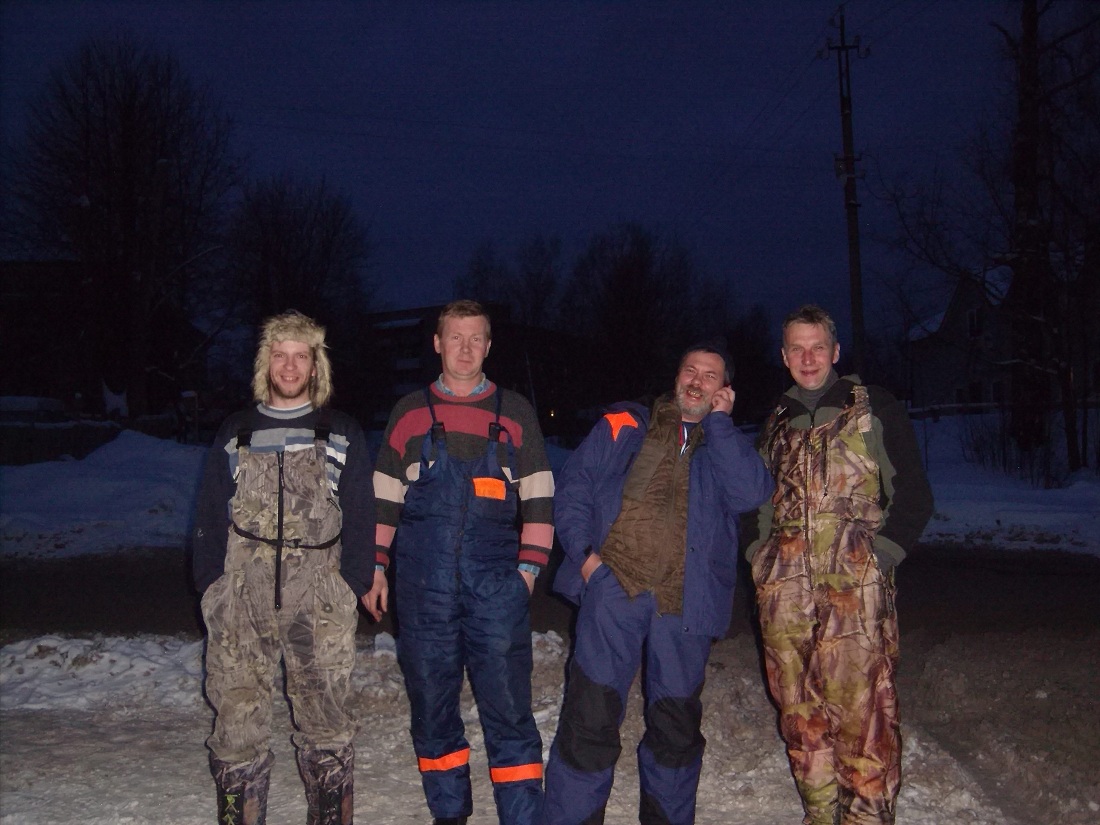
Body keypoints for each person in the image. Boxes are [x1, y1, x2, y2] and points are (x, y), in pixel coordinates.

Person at [541, 344, 774, 825]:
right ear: (676, 377)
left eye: (710, 376)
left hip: (685, 604)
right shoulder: (627, 423)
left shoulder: (724, 444)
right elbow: (576, 485)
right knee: (589, 718)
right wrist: (587, 561)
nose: (696, 381)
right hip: (614, 590)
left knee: (675, 729)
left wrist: (721, 424)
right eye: (690, 370)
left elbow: (752, 493)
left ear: (724, 390)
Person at [365, 300, 554, 825]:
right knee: (431, 705)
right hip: (423, 586)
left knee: (509, 709)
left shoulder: (515, 412)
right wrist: (375, 567)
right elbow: (383, 498)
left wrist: (527, 574)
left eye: (475, 339)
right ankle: (449, 812)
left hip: (496, 584)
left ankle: (522, 816)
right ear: (437, 343)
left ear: (488, 346)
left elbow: (541, 498)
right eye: (455, 337)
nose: (465, 349)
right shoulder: (409, 412)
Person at [745, 305, 934, 825]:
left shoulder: (873, 408)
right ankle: (821, 814)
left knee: (863, 712)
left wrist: (879, 558)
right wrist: (759, 559)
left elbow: (914, 496)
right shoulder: (775, 421)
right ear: (784, 356)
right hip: (784, 597)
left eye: (818, 347)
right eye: (797, 349)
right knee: (799, 713)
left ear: (835, 351)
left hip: (856, 593)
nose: (808, 358)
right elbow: (757, 503)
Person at [192, 310, 379, 825]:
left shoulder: (339, 431)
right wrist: (211, 586)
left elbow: (362, 513)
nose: (290, 366)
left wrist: (350, 584)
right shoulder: (237, 431)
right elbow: (208, 513)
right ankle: (239, 815)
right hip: (241, 595)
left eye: (301, 356)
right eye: (280, 355)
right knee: (236, 719)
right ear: (265, 363)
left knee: (326, 718)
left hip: (319, 596)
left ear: (315, 366)